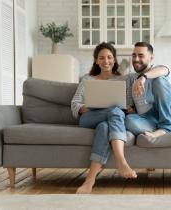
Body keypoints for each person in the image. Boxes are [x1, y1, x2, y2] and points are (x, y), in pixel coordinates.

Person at [71, 42, 137, 194]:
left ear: (114, 60)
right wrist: (93, 106)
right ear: (96, 60)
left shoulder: (123, 80)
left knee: (105, 127)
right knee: (114, 111)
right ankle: (121, 161)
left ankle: (90, 180)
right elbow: (75, 104)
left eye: (109, 57)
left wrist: (129, 108)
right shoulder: (88, 79)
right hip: (89, 118)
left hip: (110, 120)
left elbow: (127, 104)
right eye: (101, 58)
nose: (106, 61)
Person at [125, 42, 171, 139]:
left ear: (151, 57)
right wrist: (130, 109)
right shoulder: (131, 78)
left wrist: (143, 77)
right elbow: (131, 105)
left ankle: (166, 127)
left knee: (159, 80)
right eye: (134, 55)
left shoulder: (160, 69)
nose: (136, 59)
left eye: (141, 56)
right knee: (129, 120)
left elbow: (163, 70)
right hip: (150, 118)